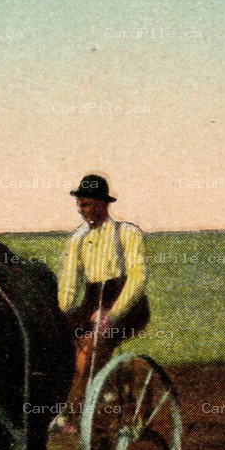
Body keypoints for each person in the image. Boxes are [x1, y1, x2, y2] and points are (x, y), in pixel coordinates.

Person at [58, 174, 149, 412]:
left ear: (103, 203)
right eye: (79, 204)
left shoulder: (127, 233)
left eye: (86, 204)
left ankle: (81, 404)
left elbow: (137, 277)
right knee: (57, 337)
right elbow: (68, 283)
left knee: (95, 342)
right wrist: (59, 315)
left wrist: (112, 314)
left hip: (127, 303)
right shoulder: (78, 239)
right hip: (91, 301)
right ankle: (101, 388)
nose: (81, 209)